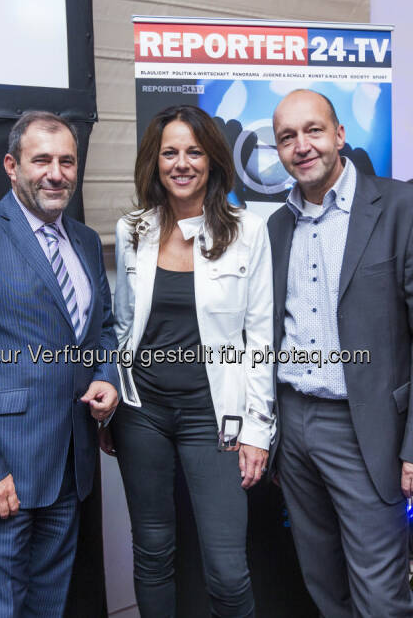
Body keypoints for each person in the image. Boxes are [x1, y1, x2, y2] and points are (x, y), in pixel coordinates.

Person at [267, 89, 413, 617]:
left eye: (313, 131)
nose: (302, 146)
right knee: (321, 578)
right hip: (295, 422)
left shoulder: (401, 207)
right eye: (287, 137)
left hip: (365, 429)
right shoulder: (278, 227)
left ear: (340, 135)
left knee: (379, 592)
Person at [0, 111, 119, 617]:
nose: (55, 173)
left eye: (66, 161)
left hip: (68, 467)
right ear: (12, 165)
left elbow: (102, 331)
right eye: (41, 160)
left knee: (47, 607)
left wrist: (105, 376)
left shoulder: (82, 240)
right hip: (1, 471)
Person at [108, 104, 275, 617]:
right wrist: (113, 398)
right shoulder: (131, 229)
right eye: (170, 152)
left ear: (213, 161)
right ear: (155, 163)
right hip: (142, 414)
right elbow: (122, 325)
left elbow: (260, 337)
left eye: (194, 152)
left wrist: (257, 429)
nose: (182, 163)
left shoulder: (248, 231)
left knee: (227, 568)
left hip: (214, 417)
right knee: (152, 553)